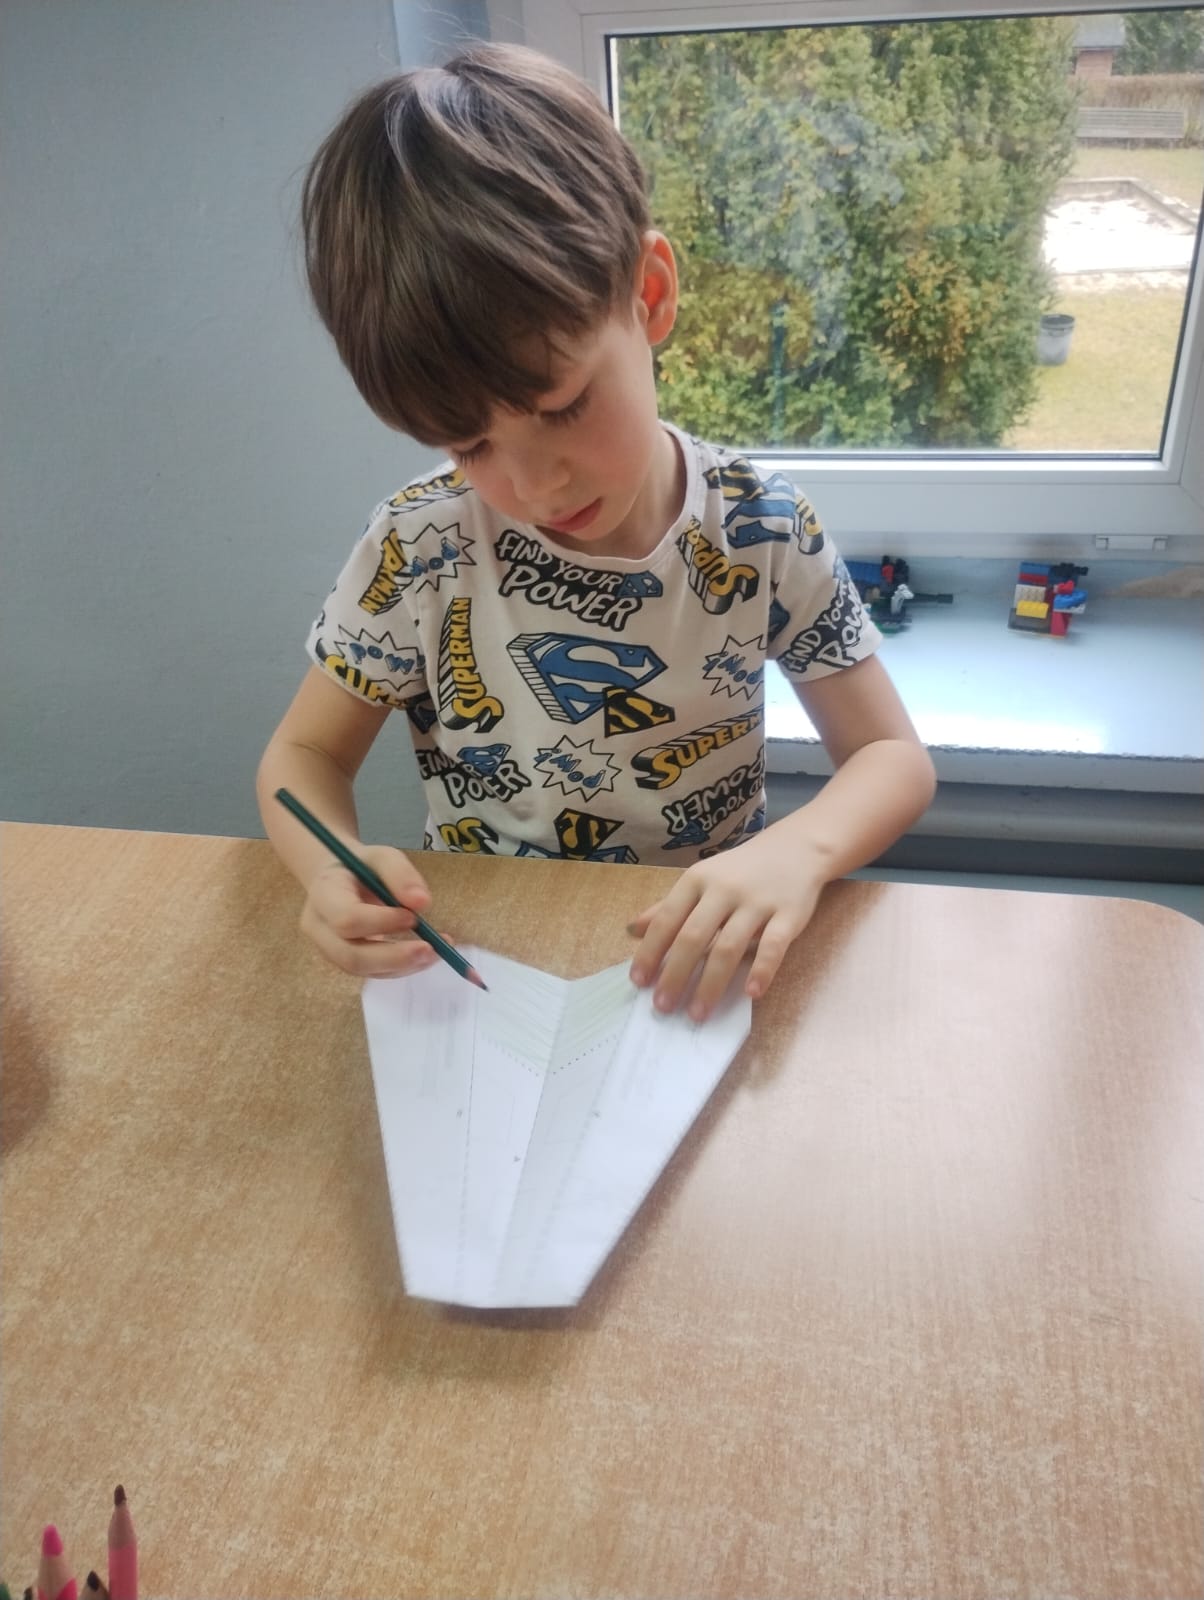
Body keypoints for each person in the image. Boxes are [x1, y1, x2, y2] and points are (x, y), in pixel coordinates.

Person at [256, 41, 936, 1022]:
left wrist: (798, 852)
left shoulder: (760, 527)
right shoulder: (421, 547)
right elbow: (301, 761)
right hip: (488, 973)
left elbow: (892, 758)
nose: (533, 484)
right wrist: (330, 870)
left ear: (649, 294)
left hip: (695, 964)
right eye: (469, 444)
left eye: (563, 405)